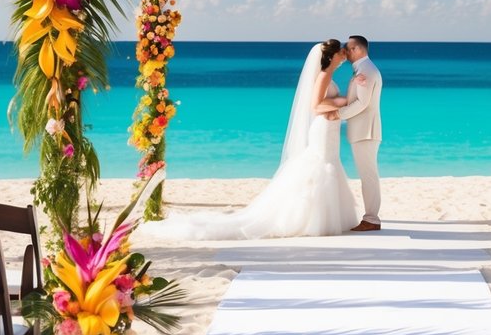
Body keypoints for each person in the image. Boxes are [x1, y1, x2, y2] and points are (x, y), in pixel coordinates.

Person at [139, 39, 359, 240]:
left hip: (328, 130)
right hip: (322, 130)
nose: (344, 54)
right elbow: (316, 106)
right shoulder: (323, 76)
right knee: (319, 167)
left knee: (327, 165)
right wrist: (344, 103)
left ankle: (325, 216)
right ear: (331, 56)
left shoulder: (327, 76)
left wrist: (343, 102)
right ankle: (312, 218)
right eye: (341, 51)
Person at [330, 34, 384, 232]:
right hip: (364, 130)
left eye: (349, 47)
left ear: (358, 50)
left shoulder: (367, 71)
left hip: (366, 130)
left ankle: (372, 219)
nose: (346, 50)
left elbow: (362, 103)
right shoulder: (363, 69)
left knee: (368, 175)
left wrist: (337, 114)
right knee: (368, 175)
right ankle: (371, 217)